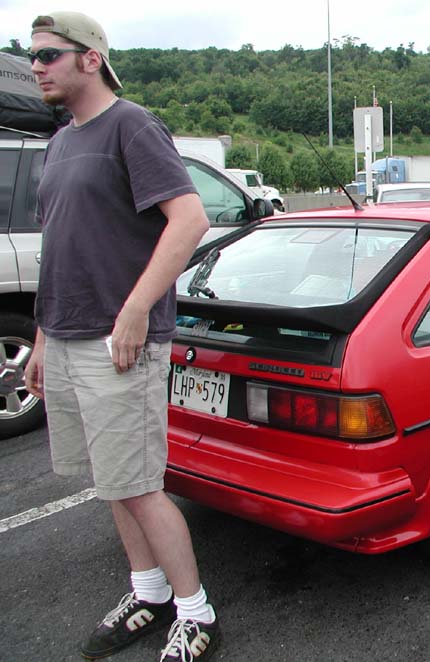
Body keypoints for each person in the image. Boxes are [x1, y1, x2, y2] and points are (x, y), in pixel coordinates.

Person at [23, 11, 220, 661]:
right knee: (111, 481)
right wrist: (43, 338)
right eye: (31, 55)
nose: (35, 66)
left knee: (138, 483)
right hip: (68, 335)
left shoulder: (130, 125)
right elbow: (61, 247)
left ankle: (196, 613)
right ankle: (148, 594)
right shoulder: (60, 143)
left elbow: (189, 219)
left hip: (119, 343)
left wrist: (136, 310)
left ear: (90, 59)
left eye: (48, 55)